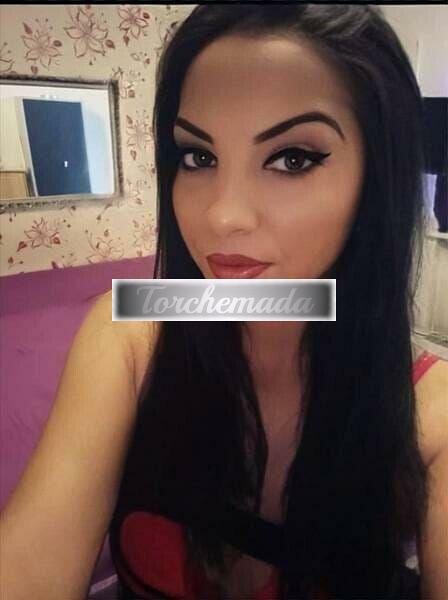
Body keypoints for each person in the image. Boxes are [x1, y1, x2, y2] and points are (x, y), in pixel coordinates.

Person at [1, 4, 447, 599]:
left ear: (376, 177)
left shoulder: (431, 413)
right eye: (198, 157)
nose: (222, 215)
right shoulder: (130, 333)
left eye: (292, 158)